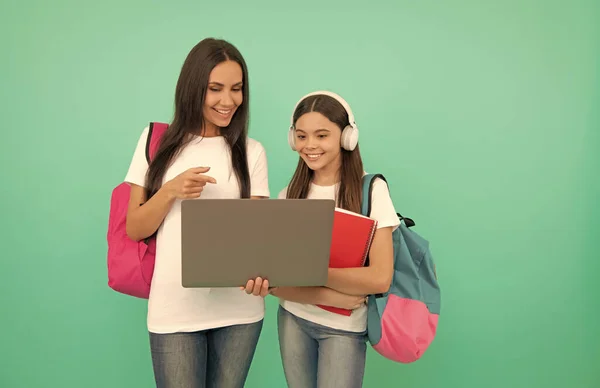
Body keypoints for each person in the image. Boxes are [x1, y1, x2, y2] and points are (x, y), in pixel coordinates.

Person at [123, 38, 271, 388]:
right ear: (193, 88)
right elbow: (135, 227)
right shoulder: (155, 143)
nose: (228, 100)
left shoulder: (252, 152)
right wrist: (171, 190)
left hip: (240, 311)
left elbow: (260, 239)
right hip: (174, 308)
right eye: (215, 88)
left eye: (236, 89)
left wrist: (265, 272)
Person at [269, 90, 400, 387]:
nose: (310, 146)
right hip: (292, 319)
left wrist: (312, 275)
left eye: (322, 135)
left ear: (347, 137)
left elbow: (380, 278)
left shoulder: (372, 191)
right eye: (301, 136)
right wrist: (336, 294)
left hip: (344, 328)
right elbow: (277, 283)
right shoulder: (288, 196)